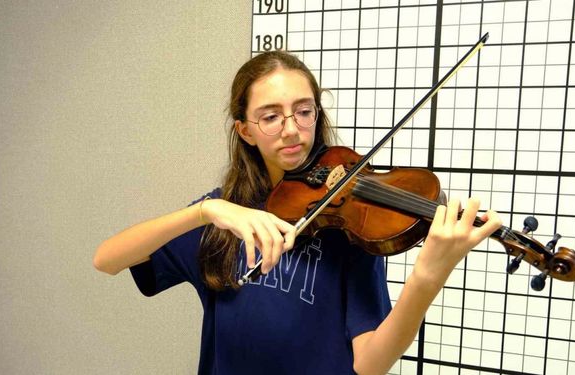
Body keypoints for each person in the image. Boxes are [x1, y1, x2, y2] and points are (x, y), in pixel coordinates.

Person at [93, 51, 502, 375]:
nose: (291, 129)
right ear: (245, 130)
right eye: (270, 116)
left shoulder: (352, 219)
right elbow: (107, 259)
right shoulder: (225, 218)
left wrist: (428, 277)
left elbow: (369, 363)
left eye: (304, 111)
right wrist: (207, 210)